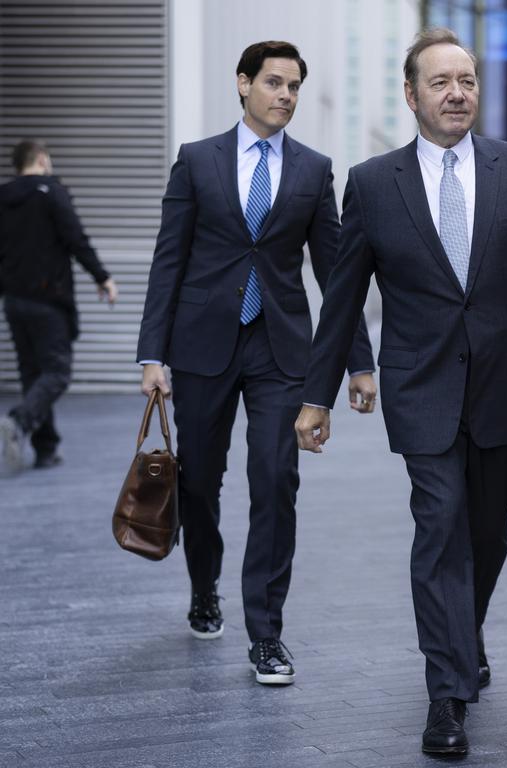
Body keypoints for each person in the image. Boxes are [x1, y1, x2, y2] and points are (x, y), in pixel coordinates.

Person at [294, 27, 507, 757]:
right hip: (421, 386)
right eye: (441, 82)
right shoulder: (371, 183)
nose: (457, 92)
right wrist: (317, 396)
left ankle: (464, 636)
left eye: (466, 80)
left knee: (487, 535)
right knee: (440, 529)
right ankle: (446, 695)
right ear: (411, 94)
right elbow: (341, 298)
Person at [136, 41, 377, 686]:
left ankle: (266, 634)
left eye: (295, 85)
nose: (286, 95)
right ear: (243, 84)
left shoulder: (312, 169)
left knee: (276, 480)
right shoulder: (196, 162)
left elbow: (337, 272)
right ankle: (204, 585)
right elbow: (169, 260)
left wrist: (358, 361)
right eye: (274, 82)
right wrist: (152, 353)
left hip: (280, 351)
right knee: (199, 483)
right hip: (202, 346)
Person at [0, 139, 117, 475]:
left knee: (32, 374)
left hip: (15, 301)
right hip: (48, 299)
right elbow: (75, 238)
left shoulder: (3, 197)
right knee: (58, 372)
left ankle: (46, 448)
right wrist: (103, 277)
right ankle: (19, 421)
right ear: (40, 159)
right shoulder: (51, 193)